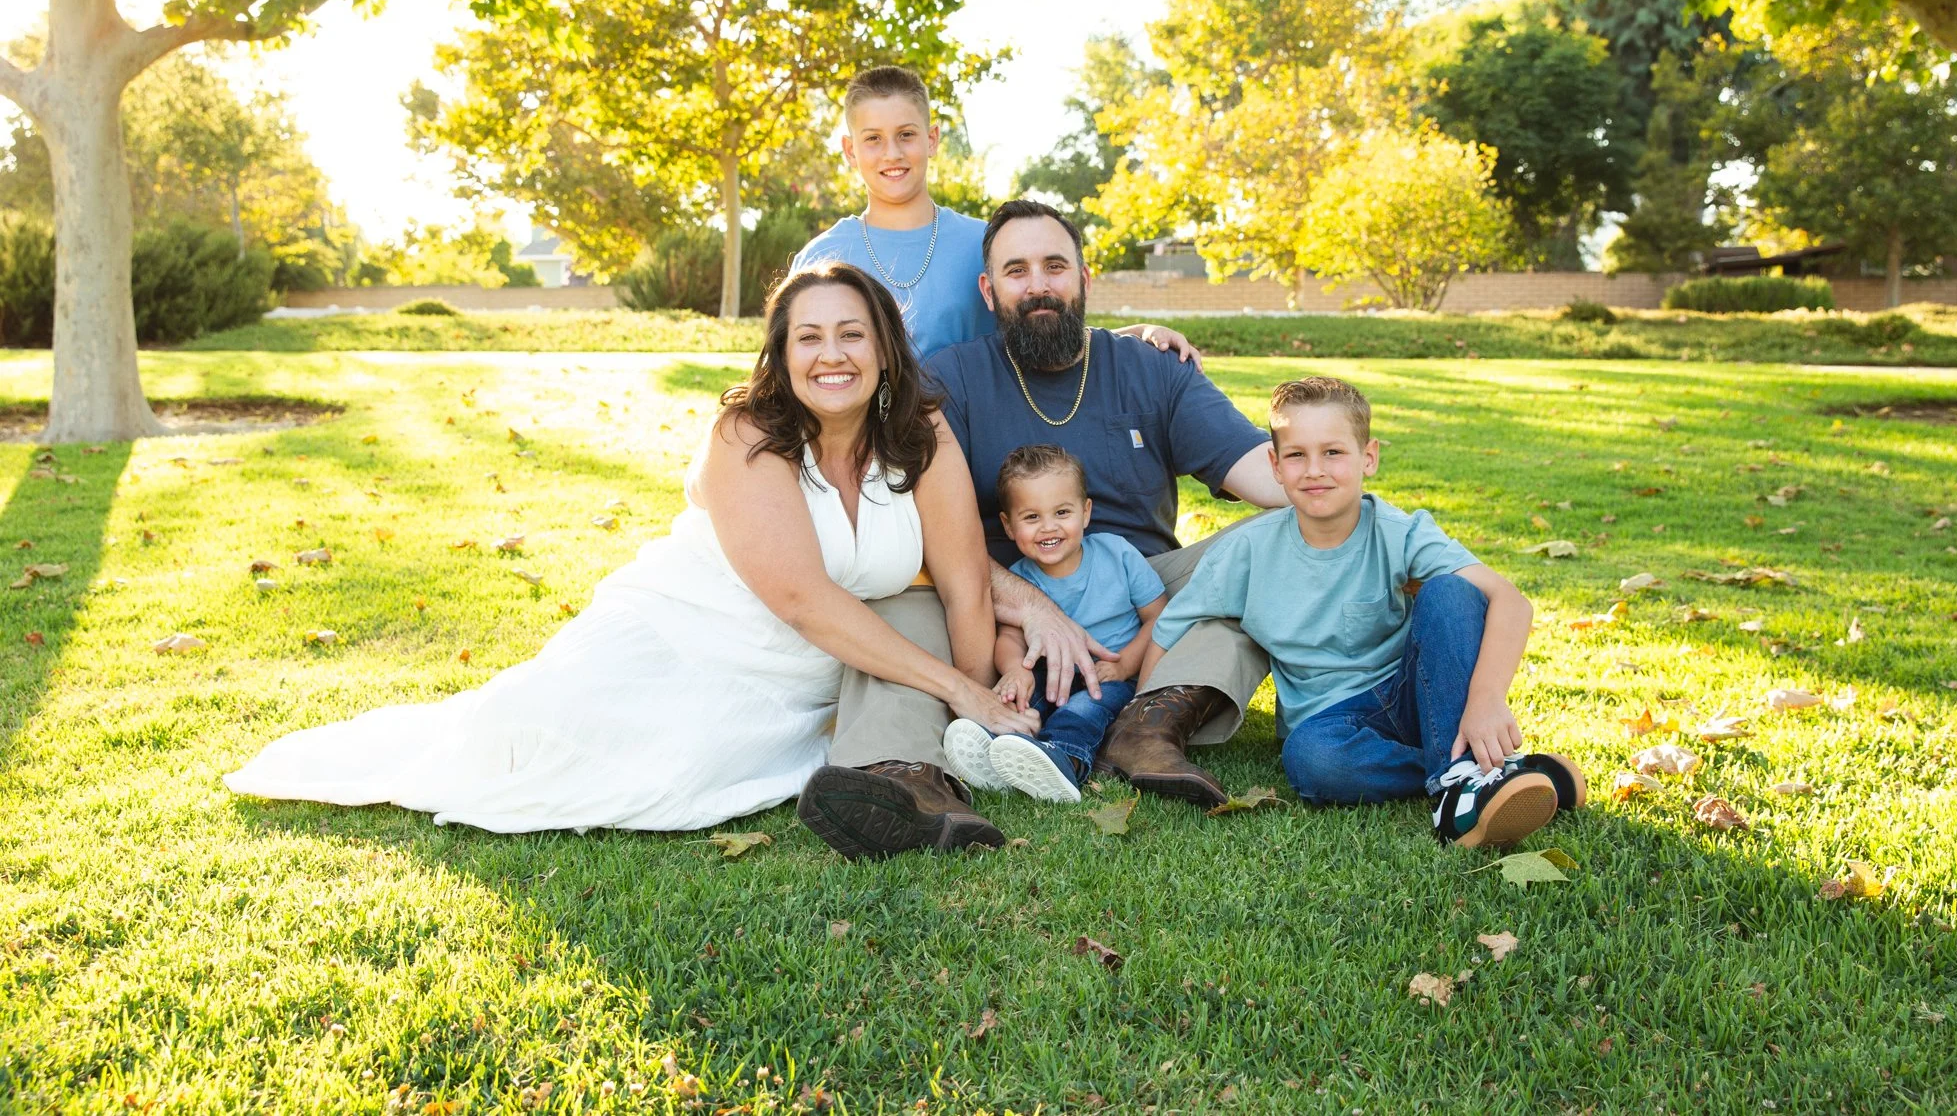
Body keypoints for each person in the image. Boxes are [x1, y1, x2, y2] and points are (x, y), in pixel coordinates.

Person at [224, 265, 1034, 837]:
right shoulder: (749, 432)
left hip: (809, 674)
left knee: (696, 764)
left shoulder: (920, 433)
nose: (832, 355)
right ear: (782, 355)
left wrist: (986, 703)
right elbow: (799, 597)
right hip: (684, 628)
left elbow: (964, 582)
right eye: (810, 336)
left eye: (853, 334)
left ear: (886, 349)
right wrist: (959, 687)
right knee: (527, 736)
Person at [795, 199, 1292, 859]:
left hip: (1138, 598)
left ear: (1085, 278)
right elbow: (909, 521)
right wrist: (1024, 606)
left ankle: (1147, 725)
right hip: (994, 596)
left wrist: (1351, 508)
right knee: (898, 599)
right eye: (1017, 270)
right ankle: (902, 777)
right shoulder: (950, 378)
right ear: (989, 289)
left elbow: (1271, 479)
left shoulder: (1151, 367)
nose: (1038, 286)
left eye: (1055, 266)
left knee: (1276, 545)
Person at [1141, 377, 1587, 847]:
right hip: (1329, 724)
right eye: (1296, 455)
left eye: (1333, 452)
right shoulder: (1246, 551)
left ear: (1368, 457)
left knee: (1451, 593)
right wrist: (1143, 728)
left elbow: (1511, 602)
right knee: (1311, 762)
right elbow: (1171, 628)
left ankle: (1460, 793)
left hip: (1418, 694)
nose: (1315, 470)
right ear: (1274, 464)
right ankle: (1482, 772)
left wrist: (1486, 701)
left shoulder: (1398, 531)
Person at [790, 65, 1202, 362]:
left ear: (932, 140)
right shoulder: (821, 260)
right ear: (850, 150)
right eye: (873, 139)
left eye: (907, 135)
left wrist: (1137, 336)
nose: (892, 153)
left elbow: (1044, 325)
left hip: (973, 455)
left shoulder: (988, 242)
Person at [941, 444, 1167, 803]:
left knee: (1084, 709)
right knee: (1020, 702)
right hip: (1048, 675)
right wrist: (1016, 669)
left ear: (1086, 511)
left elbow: (1158, 617)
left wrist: (1125, 664)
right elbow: (1010, 637)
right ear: (1008, 525)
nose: (1049, 527)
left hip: (1107, 675)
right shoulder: (1019, 581)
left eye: (1062, 512)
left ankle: (1064, 759)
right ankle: (994, 748)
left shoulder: (1118, 554)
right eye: (1031, 517)